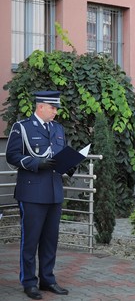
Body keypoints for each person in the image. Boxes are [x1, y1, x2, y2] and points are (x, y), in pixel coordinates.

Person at [6, 91, 70, 299]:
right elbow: (12, 156)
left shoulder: (58, 129)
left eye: (56, 108)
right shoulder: (22, 128)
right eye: (53, 108)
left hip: (54, 192)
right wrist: (36, 163)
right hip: (32, 192)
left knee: (51, 240)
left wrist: (70, 166)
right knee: (30, 240)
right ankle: (28, 282)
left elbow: (62, 154)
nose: (55, 112)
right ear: (41, 107)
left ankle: (47, 279)